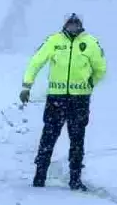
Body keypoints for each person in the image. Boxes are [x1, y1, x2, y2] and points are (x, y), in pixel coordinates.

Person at [20, 13, 108, 191]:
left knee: (77, 140)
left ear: (80, 25)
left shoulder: (90, 43)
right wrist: (26, 85)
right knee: (48, 138)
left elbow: (100, 68)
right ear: (65, 24)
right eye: (70, 23)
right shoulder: (53, 41)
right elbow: (36, 62)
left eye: (76, 24)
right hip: (56, 98)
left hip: (79, 99)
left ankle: (75, 179)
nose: (73, 27)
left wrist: (91, 83)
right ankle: (39, 176)